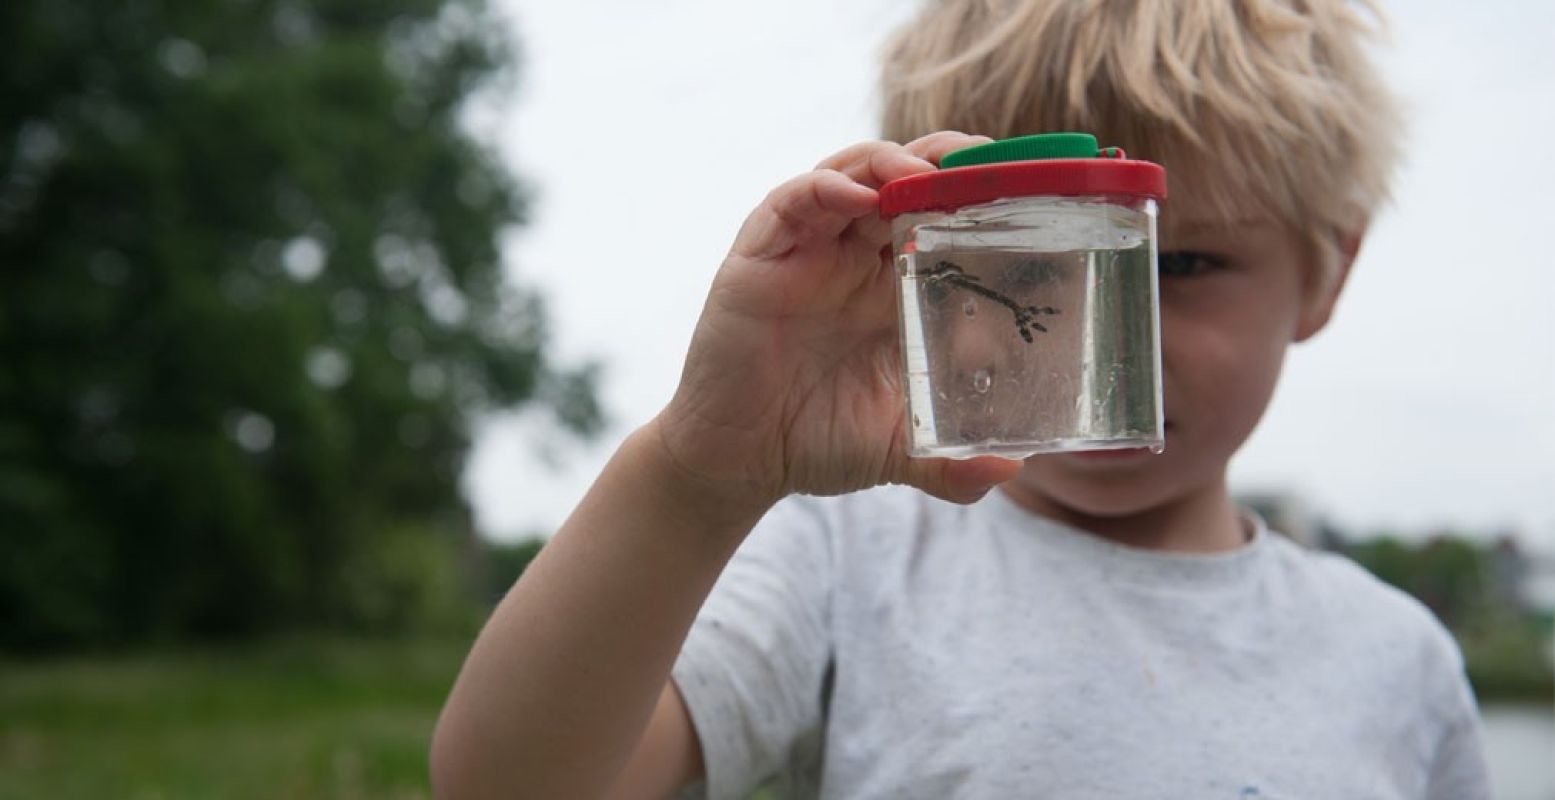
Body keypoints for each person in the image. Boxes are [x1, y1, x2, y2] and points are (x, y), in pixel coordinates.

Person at [430, 1, 1491, 797]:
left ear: (1328, 273)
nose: (1094, 342)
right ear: (912, 262)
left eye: (1181, 264)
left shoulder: (1398, 660)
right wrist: (697, 473)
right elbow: (508, 780)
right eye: (1024, 268)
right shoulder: (848, 560)